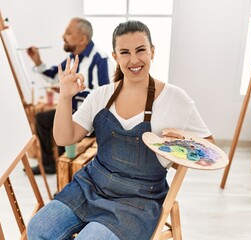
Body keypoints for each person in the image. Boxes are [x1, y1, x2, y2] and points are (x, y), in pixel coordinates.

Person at [27, 20, 214, 240]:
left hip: (139, 200)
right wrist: (65, 97)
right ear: (115, 57)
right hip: (91, 186)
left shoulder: (175, 98)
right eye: (125, 52)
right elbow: (63, 137)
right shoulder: (101, 95)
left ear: (152, 52)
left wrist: (182, 142)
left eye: (141, 50)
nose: (134, 60)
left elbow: (210, 148)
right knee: (38, 229)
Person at [26, 17, 113, 174]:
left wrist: (75, 92)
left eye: (68, 33)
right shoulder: (73, 58)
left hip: (89, 119)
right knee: (43, 119)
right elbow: (54, 75)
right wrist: (38, 62)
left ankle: (65, 173)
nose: (62, 36)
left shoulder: (101, 60)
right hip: (71, 113)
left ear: (82, 38)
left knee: (63, 127)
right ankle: (50, 165)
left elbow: (105, 94)